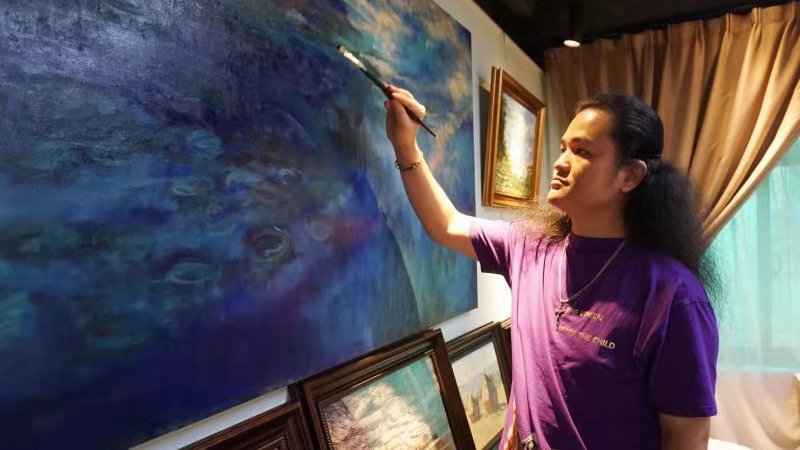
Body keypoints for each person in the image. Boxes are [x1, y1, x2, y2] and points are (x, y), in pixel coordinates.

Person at [383, 86, 719, 450]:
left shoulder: (672, 295)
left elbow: (687, 436)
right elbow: (445, 225)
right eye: (563, 148)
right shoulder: (531, 247)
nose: (560, 163)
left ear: (630, 176)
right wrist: (406, 145)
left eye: (582, 151)